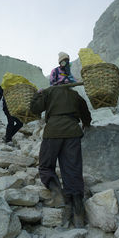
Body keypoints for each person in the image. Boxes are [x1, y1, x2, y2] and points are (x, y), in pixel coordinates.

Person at [30, 61, 91, 228]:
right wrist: (85, 123)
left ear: (53, 79)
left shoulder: (49, 93)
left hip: (53, 133)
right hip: (72, 133)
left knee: (45, 166)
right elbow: (87, 116)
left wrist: (38, 94)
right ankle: (78, 213)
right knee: (72, 170)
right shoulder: (76, 96)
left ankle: (58, 194)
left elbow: (35, 109)